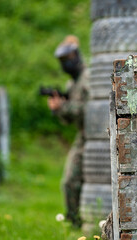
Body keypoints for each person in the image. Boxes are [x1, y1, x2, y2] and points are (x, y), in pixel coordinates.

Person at [48, 35, 89, 227]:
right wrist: (58, 109)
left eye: (67, 59)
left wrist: (64, 107)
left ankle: (83, 220)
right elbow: (69, 120)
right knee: (69, 182)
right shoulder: (71, 85)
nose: (65, 65)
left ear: (77, 56)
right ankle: (75, 222)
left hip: (97, 135)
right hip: (84, 136)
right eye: (62, 61)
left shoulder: (88, 78)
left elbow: (89, 109)